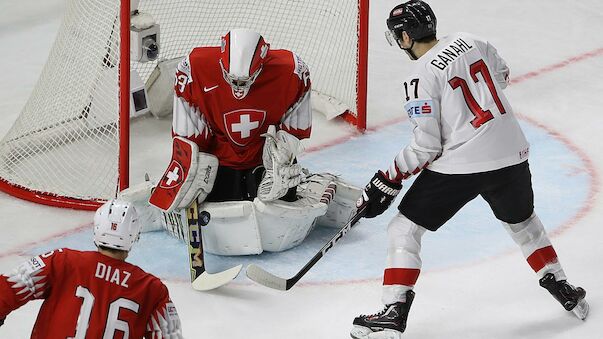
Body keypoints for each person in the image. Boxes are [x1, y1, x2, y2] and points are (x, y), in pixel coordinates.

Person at [350, 1, 589, 338]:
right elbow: (503, 76)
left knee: (403, 230)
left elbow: (427, 147)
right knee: (523, 224)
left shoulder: (418, 78)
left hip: (465, 164)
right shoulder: (470, 39)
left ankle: (393, 312)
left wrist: (388, 176)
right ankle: (563, 287)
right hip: (512, 153)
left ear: (405, 37)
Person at [149, 28, 312, 213]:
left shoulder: (293, 70)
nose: (238, 88)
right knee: (218, 209)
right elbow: (188, 132)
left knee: (281, 206)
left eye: (245, 81)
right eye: (232, 80)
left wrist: (282, 156)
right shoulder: (193, 68)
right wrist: (192, 164)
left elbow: (295, 125)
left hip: (265, 158)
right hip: (220, 159)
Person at [0, 200, 183, 338]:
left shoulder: (62, 261)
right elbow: (170, 334)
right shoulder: (152, 290)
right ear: (134, 236)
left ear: (96, 229)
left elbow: (9, 287)